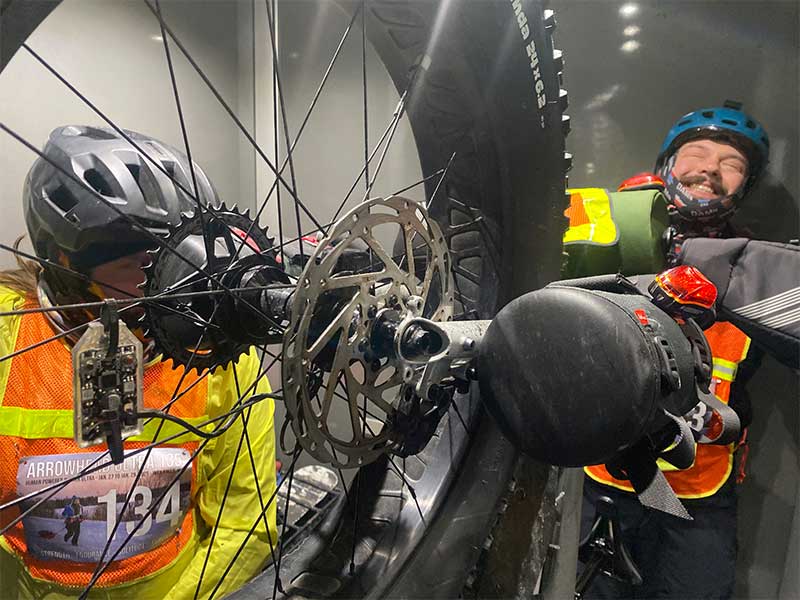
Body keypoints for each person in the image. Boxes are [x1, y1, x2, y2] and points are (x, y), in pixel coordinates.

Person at [0, 126, 277, 599]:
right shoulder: (8, 338)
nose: (172, 289)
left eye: (178, 261)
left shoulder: (217, 354)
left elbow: (247, 522)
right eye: (138, 267)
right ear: (65, 265)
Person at [565, 103, 770, 598]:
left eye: (732, 163)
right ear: (667, 164)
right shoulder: (603, 226)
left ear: (745, 185)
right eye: (697, 153)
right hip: (598, 478)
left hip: (700, 489)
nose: (711, 169)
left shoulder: (755, 274)